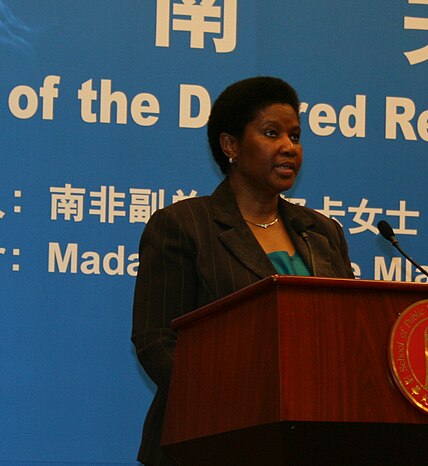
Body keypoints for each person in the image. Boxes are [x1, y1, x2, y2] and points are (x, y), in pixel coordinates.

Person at [131, 76, 355, 465]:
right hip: (208, 442)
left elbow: (349, 335)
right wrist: (240, 404)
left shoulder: (322, 232)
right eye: (272, 133)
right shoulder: (185, 225)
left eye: (295, 136)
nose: (289, 148)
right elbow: (156, 341)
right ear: (230, 145)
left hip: (309, 440)